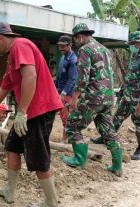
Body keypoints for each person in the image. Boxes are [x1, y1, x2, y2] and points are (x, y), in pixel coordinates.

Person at [0, 21, 63, 207]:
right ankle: (10, 192)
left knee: (39, 157)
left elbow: (31, 76)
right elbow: (2, 91)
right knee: (12, 146)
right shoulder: (11, 58)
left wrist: (22, 112)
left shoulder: (20, 46)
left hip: (39, 110)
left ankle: (51, 202)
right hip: (29, 112)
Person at [61, 23, 123, 177]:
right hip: (108, 97)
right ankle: (117, 166)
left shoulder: (85, 49)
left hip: (92, 98)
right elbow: (110, 74)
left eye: (75, 40)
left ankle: (79, 160)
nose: (75, 43)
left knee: (72, 125)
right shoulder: (104, 49)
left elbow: (82, 77)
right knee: (108, 130)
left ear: (80, 36)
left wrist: (74, 98)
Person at [90, 31, 140, 160]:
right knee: (117, 117)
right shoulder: (135, 56)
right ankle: (106, 137)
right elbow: (130, 76)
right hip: (128, 96)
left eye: (134, 43)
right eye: (131, 44)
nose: (132, 46)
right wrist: (122, 92)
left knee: (138, 122)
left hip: (137, 98)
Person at [55, 35, 77, 143]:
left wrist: (63, 93)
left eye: (63, 46)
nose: (61, 48)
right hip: (60, 90)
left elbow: (72, 79)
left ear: (70, 45)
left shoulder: (73, 60)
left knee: (66, 115)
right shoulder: (63, 57)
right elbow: (59, 76)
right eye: (59, 46)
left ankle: (65, 140)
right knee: (63, 114)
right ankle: (66, 138)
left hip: (68, 93)